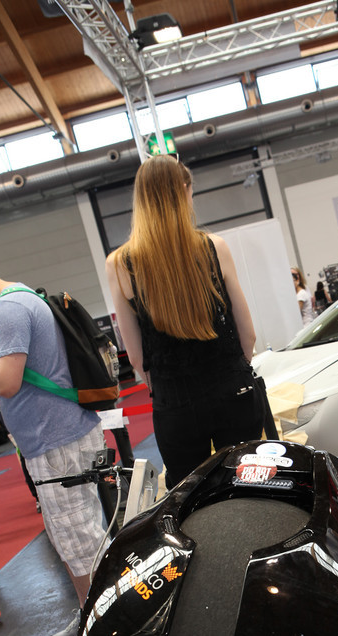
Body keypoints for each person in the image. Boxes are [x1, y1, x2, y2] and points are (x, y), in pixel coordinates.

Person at [107, 156, 264, 492]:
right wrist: (233, 373)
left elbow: (136, 357)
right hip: (232, 390)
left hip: (174, 404)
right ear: (183, 191)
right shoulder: (213, 248)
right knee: (249, 490)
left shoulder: (120, 264)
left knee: (191, 500)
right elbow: (247, 334)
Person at [0, 254, 100, 636]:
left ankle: (101, 623)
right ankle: (91, 615)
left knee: (80, 541)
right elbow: (22, 372)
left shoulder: (7, 310)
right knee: (73, 538)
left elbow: (5, 383)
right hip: (57, 439)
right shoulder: (21, 297)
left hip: (56, 442)